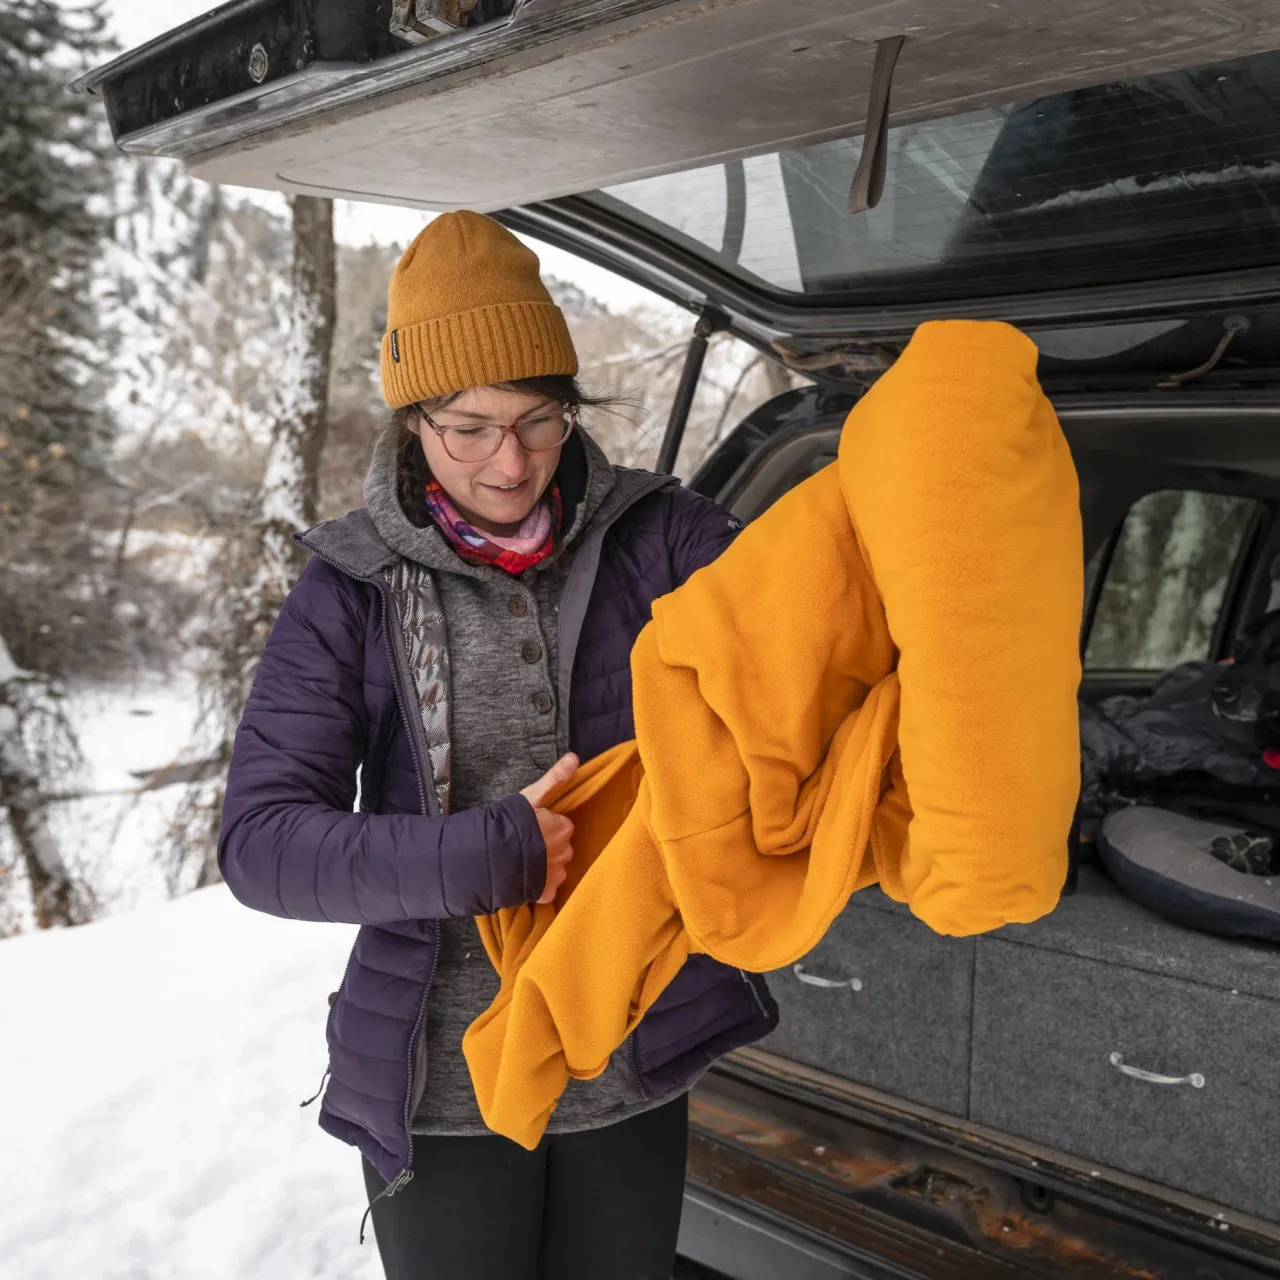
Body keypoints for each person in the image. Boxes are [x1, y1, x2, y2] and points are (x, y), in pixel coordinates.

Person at [217, 211, 777, 1280]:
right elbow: (260, 842)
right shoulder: (348, 592)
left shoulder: (659, 536)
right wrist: (476, 855)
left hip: (630, 1049)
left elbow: (797, 635)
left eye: (538, 418)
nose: (509, 461)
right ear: (411, 420)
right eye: (467, 426)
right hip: (443, 1085)